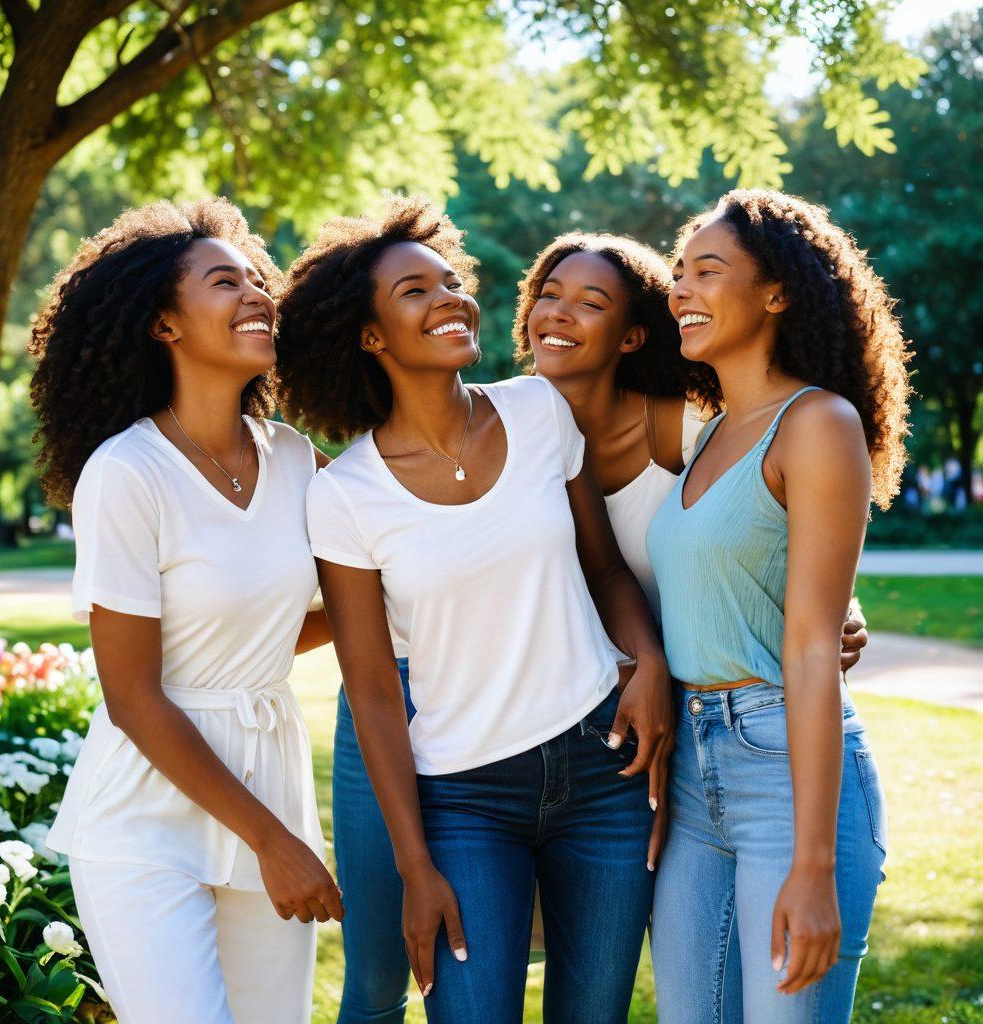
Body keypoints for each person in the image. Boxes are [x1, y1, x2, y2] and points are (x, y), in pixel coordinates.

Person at [277, 194, 672, 1024]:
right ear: (370, 336)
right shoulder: (346, 495)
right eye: (415, 292)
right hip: (462, 797)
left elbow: (604, 569)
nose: (451, 298)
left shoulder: (538, 410)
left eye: (451, 281)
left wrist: (651, 664)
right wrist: (414, 867)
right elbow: (376, 691)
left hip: (604, 770)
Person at [33, 198, 339, 1024]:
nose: (255, 295)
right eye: (223, 281)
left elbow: (270, 628)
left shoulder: (299, 463)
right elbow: (133, 696)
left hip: (266, 778)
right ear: (164, 323)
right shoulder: (127, 473)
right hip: (147, 818)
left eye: (256, 281)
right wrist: (274, 842)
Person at [514, 231, 870, 859]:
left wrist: (840, 604)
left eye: (593, 303)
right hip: (558, 715)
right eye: (549, 295)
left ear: (632, 335)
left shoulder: (688, 429)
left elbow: (767, 516)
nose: (561, 313)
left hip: (686, 717)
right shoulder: (503, 434)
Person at [647, 189, 911, 1023]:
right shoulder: (705, 433)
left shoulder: (817, 423)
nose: (681, 289)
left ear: (778, 291)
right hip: (692, 774)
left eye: (707, 271)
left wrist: (813, 863)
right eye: (678, 274)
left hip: (783, 773)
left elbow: (809, 650)